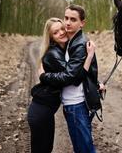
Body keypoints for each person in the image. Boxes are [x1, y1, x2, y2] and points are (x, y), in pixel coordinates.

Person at [39, 5, 104, 153]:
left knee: (84, 149)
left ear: (82, 23)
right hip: (73, 104)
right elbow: (82, 71)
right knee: (81, 147)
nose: (67, 23)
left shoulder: (80, 44)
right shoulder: (71, 41)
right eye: (66, 18)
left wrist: (44, 76)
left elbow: (72, 77)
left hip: (76, 105)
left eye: (73, 19)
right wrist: (96, 82)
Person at [27, 18, 96, 153]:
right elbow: (74, 78)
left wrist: (96, 83)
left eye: (62, 29)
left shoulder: (64, 50)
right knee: (41, 149)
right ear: (51, 38)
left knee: (46, 148)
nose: (61, 33)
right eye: (55, 32)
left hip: (46, 110)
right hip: (40, 110)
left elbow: (75, 73)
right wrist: (89, 57)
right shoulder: (53, 54)